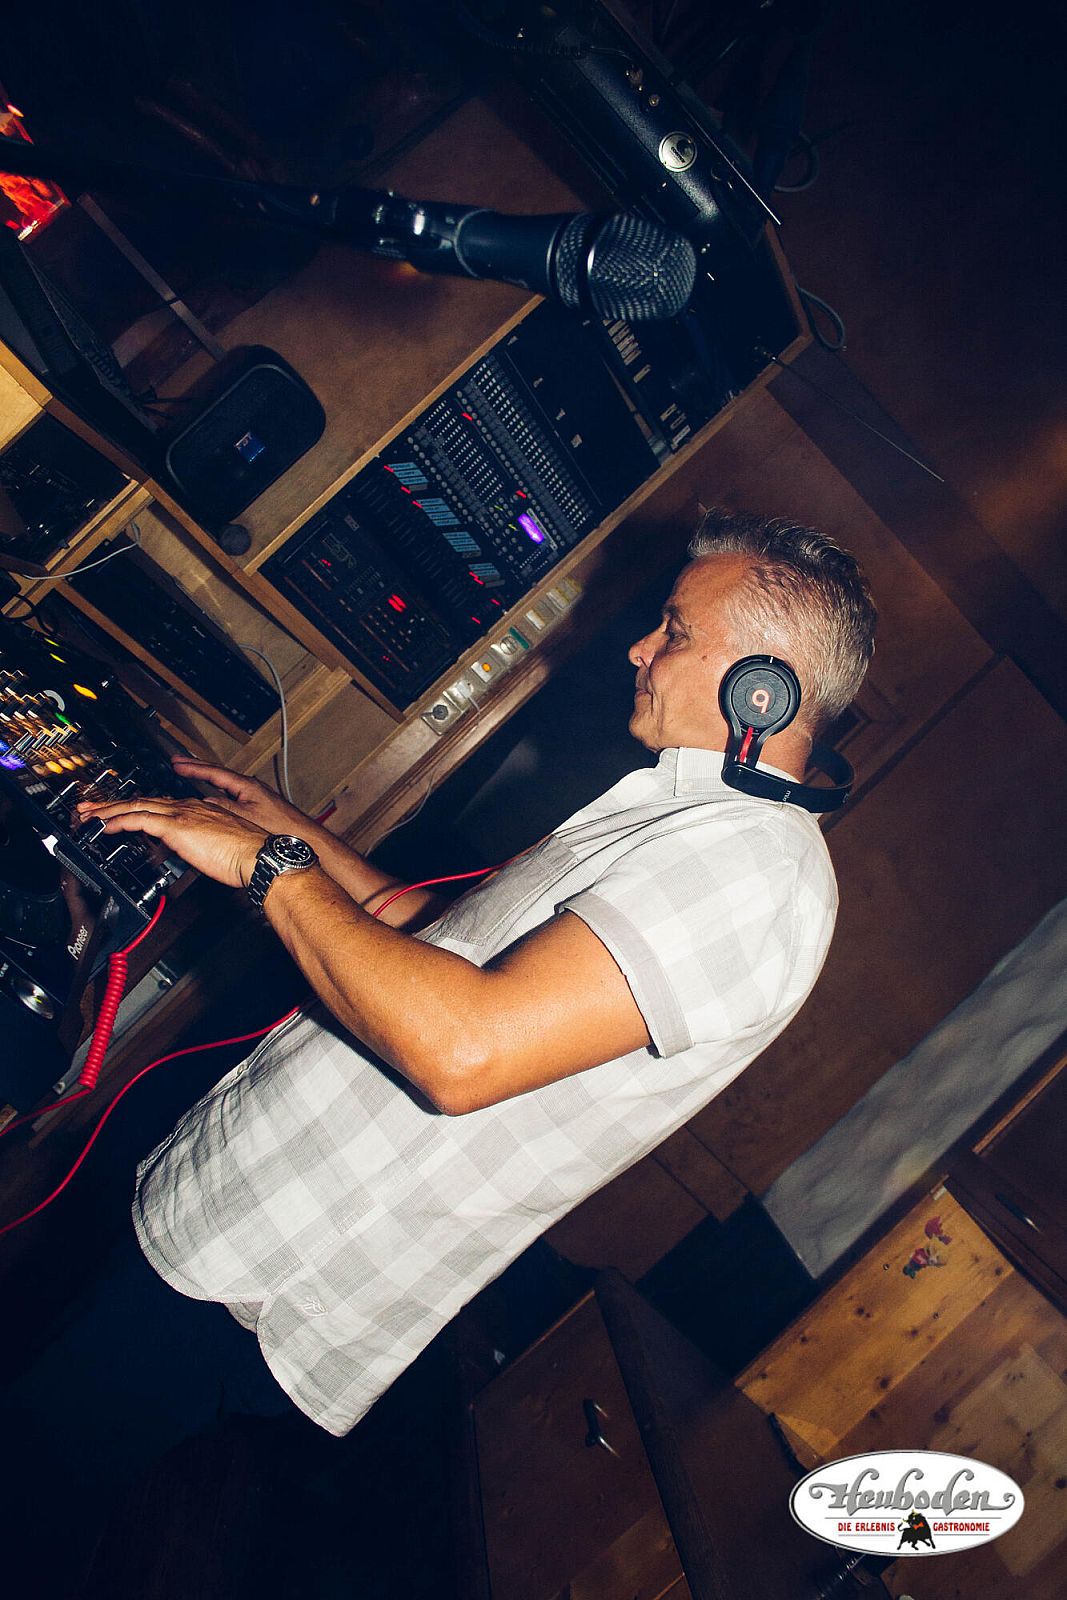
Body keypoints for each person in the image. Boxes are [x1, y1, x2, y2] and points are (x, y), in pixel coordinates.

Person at [6, 509, 875, 1590]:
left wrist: (268, 869)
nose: (637, 648)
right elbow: (440, 942)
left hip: (273, 1261)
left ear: (764, 690)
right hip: (247, 1224)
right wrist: (285, 830)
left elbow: (459, 1049)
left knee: (26, 1495)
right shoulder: (691, 826)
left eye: (673, 630)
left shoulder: (751, 870)